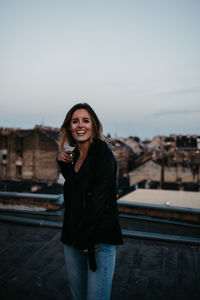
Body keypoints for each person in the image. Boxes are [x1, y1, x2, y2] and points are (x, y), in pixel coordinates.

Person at [57, 103, 123, 300]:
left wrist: (86, 237)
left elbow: (99, 200)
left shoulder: (103, 153)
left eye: (85, 120)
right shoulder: (74, 156)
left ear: (93, 125)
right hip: (73, 238)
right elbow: (75, 194)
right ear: (69, 127)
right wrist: (62, 164)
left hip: (98, 241)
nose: (80, 125)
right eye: (75, 121)